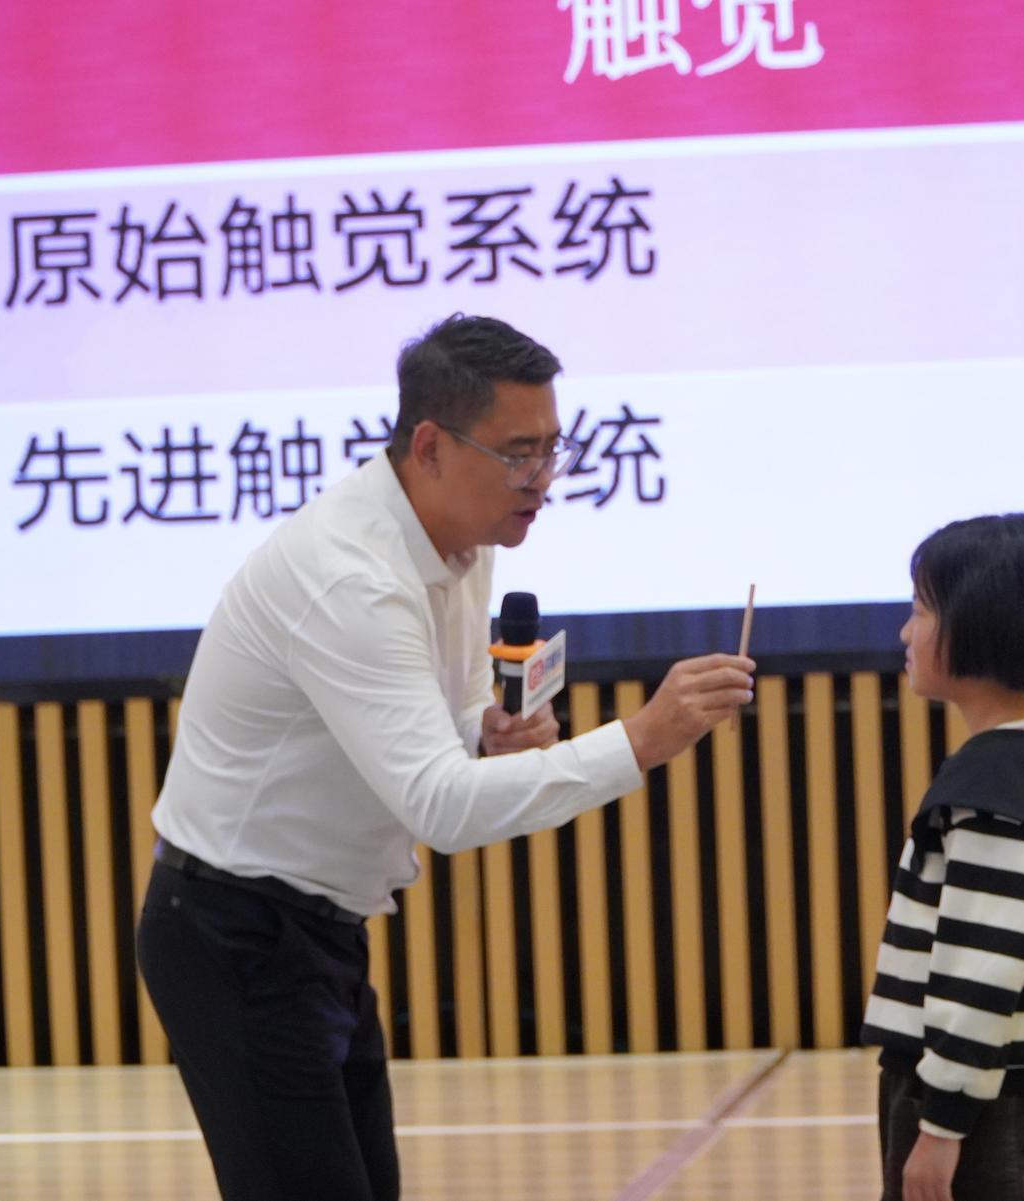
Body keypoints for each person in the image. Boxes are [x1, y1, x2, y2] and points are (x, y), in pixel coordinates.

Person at [135, 314, 755, 1201]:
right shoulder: (352, 573)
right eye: (517, 454)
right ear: (429, 446)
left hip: (319, 930)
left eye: (552, 449)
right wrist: (642, 739)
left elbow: (447, 713)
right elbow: (443, 807)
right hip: (233, 929)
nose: (542, 480)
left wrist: (482, 733)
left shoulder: (463, 538)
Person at [859, 513, 1024, 1201]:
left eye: (921, 610)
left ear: (979, 623)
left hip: (986, 1115)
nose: (905, 632)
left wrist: (942, 1123)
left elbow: (984, 966)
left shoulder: (994, 789)